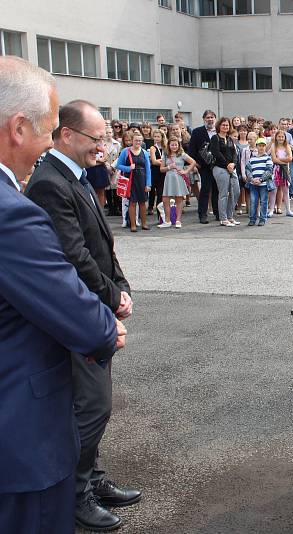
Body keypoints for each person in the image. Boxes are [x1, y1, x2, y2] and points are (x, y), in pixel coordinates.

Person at [0, 57, 125, 534]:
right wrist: (106, 319)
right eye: (48, 131)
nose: (49, 143)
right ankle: (82, 489)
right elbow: (71, 292)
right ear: (18, 128)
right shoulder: (13, 211)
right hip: (21, 439)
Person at [24, 99, 138, 532]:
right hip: (78, 313)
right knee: (92, 407)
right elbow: (72, 256)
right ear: (67, 135)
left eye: (105, 138)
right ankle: (75, 494)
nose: (103, 147)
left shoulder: (75, 175)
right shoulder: (50, 183)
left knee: (92, 403)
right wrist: (111, 298)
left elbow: (102, 244)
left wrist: (120, 288)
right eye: (97, 139)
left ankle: (91, 477)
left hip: (96, 303)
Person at [116, 133, 151, 232]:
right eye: (136, 140)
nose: (138, 142)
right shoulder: (125, 152)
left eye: (140, 140)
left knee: (143, 203)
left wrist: (148, 184)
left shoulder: (144, 152)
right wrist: (128, 168)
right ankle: (133, 225)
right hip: (131, 179)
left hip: (142, 179)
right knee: (132, 203)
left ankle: (144, 224)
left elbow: (148, 169)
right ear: (132, 140)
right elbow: (118, 165)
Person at [188, 109, 218, 224]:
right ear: (204, 119)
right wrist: (195, 163)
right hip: (203, 166)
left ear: (215, 119)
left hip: (217, 166)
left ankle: (217, 213)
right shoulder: (197, 132)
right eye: (207, 118)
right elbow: (191, 150)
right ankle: (202, 215)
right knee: (205, 189)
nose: (210, 119)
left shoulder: (219, 131)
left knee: (216, 190)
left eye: (212, 117)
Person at [210, 116, 241, 227]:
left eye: (227, 125)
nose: (225, 126)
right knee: (224, 194)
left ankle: (230, 216)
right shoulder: (215, 138)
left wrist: (233, 163)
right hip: (220, 168)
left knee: (235, 192)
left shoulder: (230, 139)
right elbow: (216, 153)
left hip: (231, 168)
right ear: (219, 126)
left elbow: (234, 154)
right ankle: (223, 218)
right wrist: (227, 164)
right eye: (223, 125)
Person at [159, 136, 195, 228]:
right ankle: (167, 221)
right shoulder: (165, 155)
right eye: (172, 145)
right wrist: (169, 167)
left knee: (179, 199)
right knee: (165, 199)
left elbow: (193, 162)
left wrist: (186, 171)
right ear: (169, 145)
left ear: (179, 145)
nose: (174, 146)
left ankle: (178, 220)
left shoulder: (182, 154)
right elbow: (161, 169)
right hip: (169, 178)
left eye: (176, 145)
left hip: (178, 178)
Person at [245, 137, 274, 226]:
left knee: (264, 202)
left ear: (265, 147)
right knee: (253, 201)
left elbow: (269, 171)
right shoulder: (252, 158)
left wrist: (261, 179)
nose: (261, 147)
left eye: (263, 146)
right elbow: (248, 170)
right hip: (253, 184)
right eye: (259, 146)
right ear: (256, 147)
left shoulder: (268, 158)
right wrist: (251, 179)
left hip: (263, 184)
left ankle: (262, 219)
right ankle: (252, 219)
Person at [270, 129, 293, 217]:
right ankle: (271, 210)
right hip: (276, 169)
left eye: (282, 137)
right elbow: (273, 159)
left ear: (285, 138)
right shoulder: (273, 146)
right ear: (276, 137)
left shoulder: (287, 146)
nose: (281, 138)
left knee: (286, 190)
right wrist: (283, 161)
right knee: (274, 190)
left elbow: (290, 158)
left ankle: (288, 210)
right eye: (279, 136)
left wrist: (279, 160)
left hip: (285, 170)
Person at [148, 128, 167, 223]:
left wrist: (162, 162)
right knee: (155, 193)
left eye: (158, 136)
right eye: (155, 136)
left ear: (162, 137)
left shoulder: (165, 147)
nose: (156, 138)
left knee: (162, 195)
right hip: (155, 173)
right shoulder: (153, 148)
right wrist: (164, 163)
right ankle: (159, 216)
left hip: (164, 173)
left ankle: (162, 216)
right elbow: (154, 161)